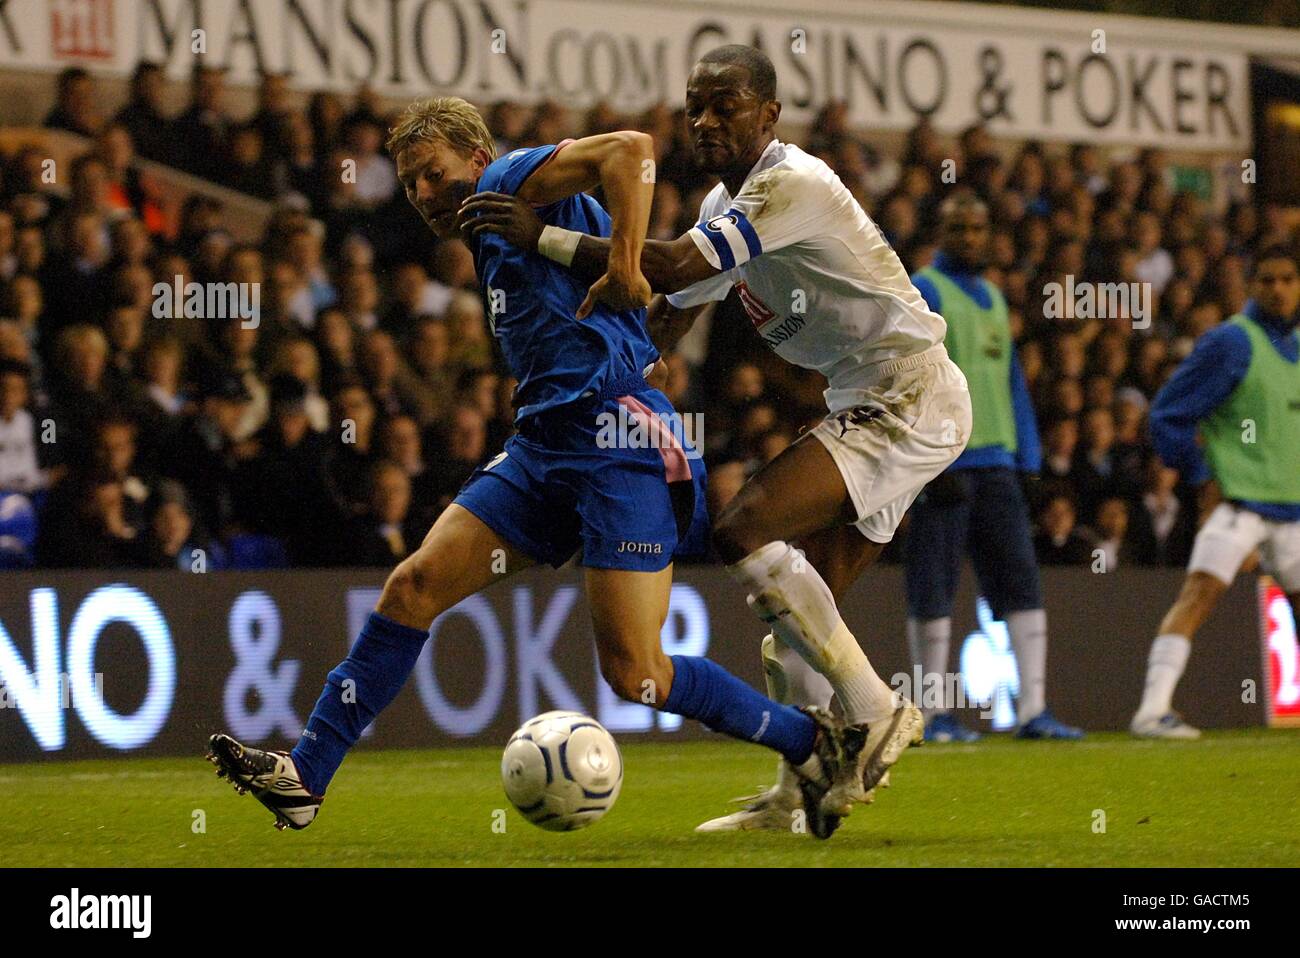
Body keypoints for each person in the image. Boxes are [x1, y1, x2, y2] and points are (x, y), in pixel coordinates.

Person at [207, 95, 866, 839]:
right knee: (413, 585)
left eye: (433, 173)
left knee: (637, 672)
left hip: (617, 444)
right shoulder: (489, 232)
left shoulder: (511, 180)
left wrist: (623, 263)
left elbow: (632, 149)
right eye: (411, 183)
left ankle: (813, 743)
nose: (424, 195)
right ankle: (306, 776)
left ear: (476, 158)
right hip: (544, 446)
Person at [462, 45, 971, 832]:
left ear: (769, 114)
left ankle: (876, 714)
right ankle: (804, 792)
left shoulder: (791, 184)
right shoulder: (722, 210)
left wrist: (544, 238)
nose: (703, 120)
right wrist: (622, 364)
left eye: (724, 105)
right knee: (795, 633)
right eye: (694, 105)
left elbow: (661, 264)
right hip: (872, 399)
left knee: (744, 528)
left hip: (910, 393)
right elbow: (669, 304)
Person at [904, 193, 1082, 742]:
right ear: (941, 231)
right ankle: (930, 713)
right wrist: (930, 459)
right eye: (959, 228)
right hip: (948, 464)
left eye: (979, 228)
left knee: (1021, 585)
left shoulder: (996, 299)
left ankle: (1033, 711)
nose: (972, 238)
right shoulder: (925, 288)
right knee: (933, 586)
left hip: (998, 465)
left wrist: (1028, 457)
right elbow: (910, 375)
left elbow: (1011, 383)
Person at [1131, 246, 1300, 739]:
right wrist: (1203, 475)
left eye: (1288, 279)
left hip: (1291, 510)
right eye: (1267, 279)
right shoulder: (1231, 342)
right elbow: (1167, 415)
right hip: (1239, 504)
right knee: (1200, 595)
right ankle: (1152, 710)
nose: (1279, 289)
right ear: (1251, 285)